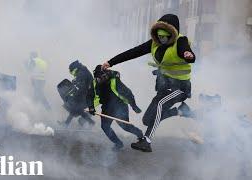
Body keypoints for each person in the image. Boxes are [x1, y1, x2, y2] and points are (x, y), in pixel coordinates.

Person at [101, 14, 196, 152]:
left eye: (165, 37)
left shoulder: (181, 41)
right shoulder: (154, 43)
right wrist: (111, 62)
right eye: (159, 36)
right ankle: (180, 110)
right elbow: (133, 52)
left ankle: (147, 141)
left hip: (180, 88)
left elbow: (186, 51)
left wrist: (189, 55)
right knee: (147, 120)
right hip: (166, 86)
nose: (162, 39)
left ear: (172, 34)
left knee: (160, 104)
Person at [87, 65, 143, 151]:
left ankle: (140, 134)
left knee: (125, 126)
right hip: (106, 107)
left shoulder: (115, 80)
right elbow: (89, 96)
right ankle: (118, 144)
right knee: (105, 127)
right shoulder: (95, 82)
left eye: (101, 77)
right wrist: (91, 107)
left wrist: (134, 106)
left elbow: (128, 93)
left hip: (120, 105)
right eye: (98, 78)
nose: (100, 80)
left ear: (105, 74)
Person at [59, 60, 95, 127]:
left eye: (71, 71)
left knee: (76, 108)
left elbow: (81, 86)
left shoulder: (82, 73)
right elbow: (79, 84)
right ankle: (91, 122)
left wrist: (74, 94)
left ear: (75, 69)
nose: (71, 73)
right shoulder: (82, 71)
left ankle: (66, 124)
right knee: (76, 109)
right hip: (85, 93)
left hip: (86, 94)